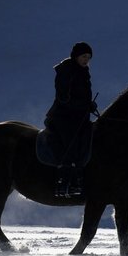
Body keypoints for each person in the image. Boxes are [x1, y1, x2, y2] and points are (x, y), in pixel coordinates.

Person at [45, 42, 97, 197]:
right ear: (76, 56)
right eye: (83, 56)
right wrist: (84, 105)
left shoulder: (84, 71)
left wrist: (89, 105)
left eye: (88, 57)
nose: (86, 60)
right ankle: (63, 181)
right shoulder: (66, 71)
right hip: (62, 117)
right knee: (71, 144)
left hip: (78, 117)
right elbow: (63, 98)